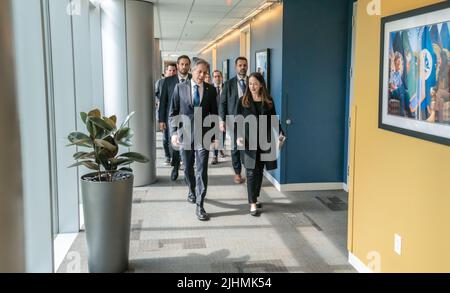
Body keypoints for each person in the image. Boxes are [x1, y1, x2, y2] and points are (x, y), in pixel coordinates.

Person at [169, 58, 218, 221]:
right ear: (192, 71)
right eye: (200, 72)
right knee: (188, 168)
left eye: (205, 73)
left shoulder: (211, 90)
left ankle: (200, 204)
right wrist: (174, 132)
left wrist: (214, 136)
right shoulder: (179, 88)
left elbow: (214, 115)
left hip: (203, 135)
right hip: (185, 134)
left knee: (202, 168)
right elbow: (173, 112)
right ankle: (191, 189)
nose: (202, 75)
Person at [236, 72, 285, 216]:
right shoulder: (242, 101)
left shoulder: (268, 101)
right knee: (251, 172)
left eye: (255, 83)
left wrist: (281, 132)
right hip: (248, 141)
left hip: (264, 141)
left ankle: (255, 198)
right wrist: (238, 136)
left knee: (259, 172)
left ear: (261, 85)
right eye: (250, 83)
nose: (252, 86)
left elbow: (274, 120)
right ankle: (252, 203)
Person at [159, 55, 192, 181]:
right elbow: (163, 101)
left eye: (186, 64)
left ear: (189, 66)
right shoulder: (168, 81)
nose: (184, 66)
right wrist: (161, 120)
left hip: (189, 119)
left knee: (188, 145)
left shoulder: (193, 80)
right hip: (172, 118)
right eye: (181, 64)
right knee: (174, 144)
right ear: (177, 66)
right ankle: (175, 166)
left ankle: (187, 170)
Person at [219, 56, 249, 184]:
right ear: (236, 67)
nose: (243, 67)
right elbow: (222, 103)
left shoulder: (252, 82)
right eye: (240, 65)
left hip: (250, 120)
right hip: (233, 120)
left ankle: (249, 170)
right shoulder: (228, 84)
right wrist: (222, 120)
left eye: (245, 65)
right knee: (236, 147)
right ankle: (237, 173)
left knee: (249, 146)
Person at [156, 63, 177, 165]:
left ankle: (175, 158)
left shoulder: (177, 82)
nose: (172, 72)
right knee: (165, 138)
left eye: (174, 70)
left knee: (174, 137)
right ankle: (167, 156)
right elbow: (156, 94)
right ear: (165, 72)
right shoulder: (160, 82)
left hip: (174, 115)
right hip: (163, 114)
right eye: (170, 70)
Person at [211, 70, 226, 165]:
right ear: (213, 78)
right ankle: (215, 156)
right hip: (213, 116)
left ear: (222, 77)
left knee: (222, 136)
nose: (217, 78)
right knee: (215, 136)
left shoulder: (226, 88)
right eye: (215, 76)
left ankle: (220, 147)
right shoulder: (209, 88)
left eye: (219, 76)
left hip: (224, 116)